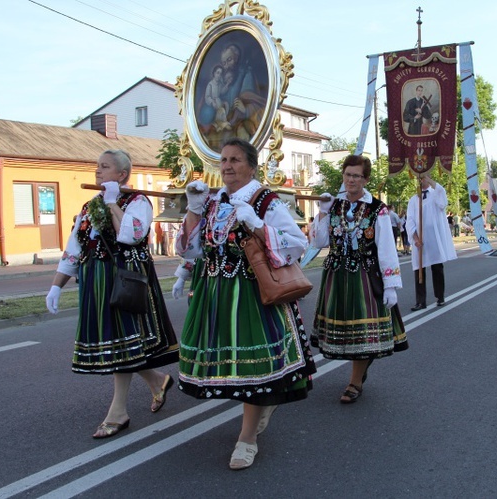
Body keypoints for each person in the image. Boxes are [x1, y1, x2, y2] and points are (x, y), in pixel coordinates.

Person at [176, 138, 316, 470]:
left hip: (252, 295)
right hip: (215, 295)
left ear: (251, 165)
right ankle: (258, 414)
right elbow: (193, 249)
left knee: (253, 368)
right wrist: (194, 210)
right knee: (232, 367)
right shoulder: (212, 201)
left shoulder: (265, 200)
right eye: (223, 160)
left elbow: (297, 245)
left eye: (235, 160)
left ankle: (247, 438)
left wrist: (256, 224)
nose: (226, 166)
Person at [44, 150, 178, 439]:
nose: (98, 171)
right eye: (97, 166)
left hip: (124, 280)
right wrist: (57, 284)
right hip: (96, 281)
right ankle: (157, 381)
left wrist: (113, 203)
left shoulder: (138, 201)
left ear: (122, 175)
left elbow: (130, 235)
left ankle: (118, 412)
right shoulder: (88, 206)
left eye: (105, 167)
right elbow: (74, 248)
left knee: (123, 342)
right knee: (120, 343)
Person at [311, 154, 408, 404]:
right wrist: (321, 214)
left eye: (356, 176)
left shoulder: (378, 209)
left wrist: (391, 286)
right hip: (336, 276)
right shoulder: (334, 205)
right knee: (345, 331)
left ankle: (355, 381)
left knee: (364, 333)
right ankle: (358, 374)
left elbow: (386, 248)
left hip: (364, 276)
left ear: (365, 179)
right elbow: (319, 242)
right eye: (348, 174)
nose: (351, 179)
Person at [406, 174, 458, 310]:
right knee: (419, 271)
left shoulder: (436, 194)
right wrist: (415, 238)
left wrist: (430, 181)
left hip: (434, 238)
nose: (421, 180)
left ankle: (440, 297)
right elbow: (410, 220)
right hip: (420, 241)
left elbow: (443, 201)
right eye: (419, 178)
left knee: (437, 268)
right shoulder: (413, 200)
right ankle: (420, 301)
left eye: (423, 177)